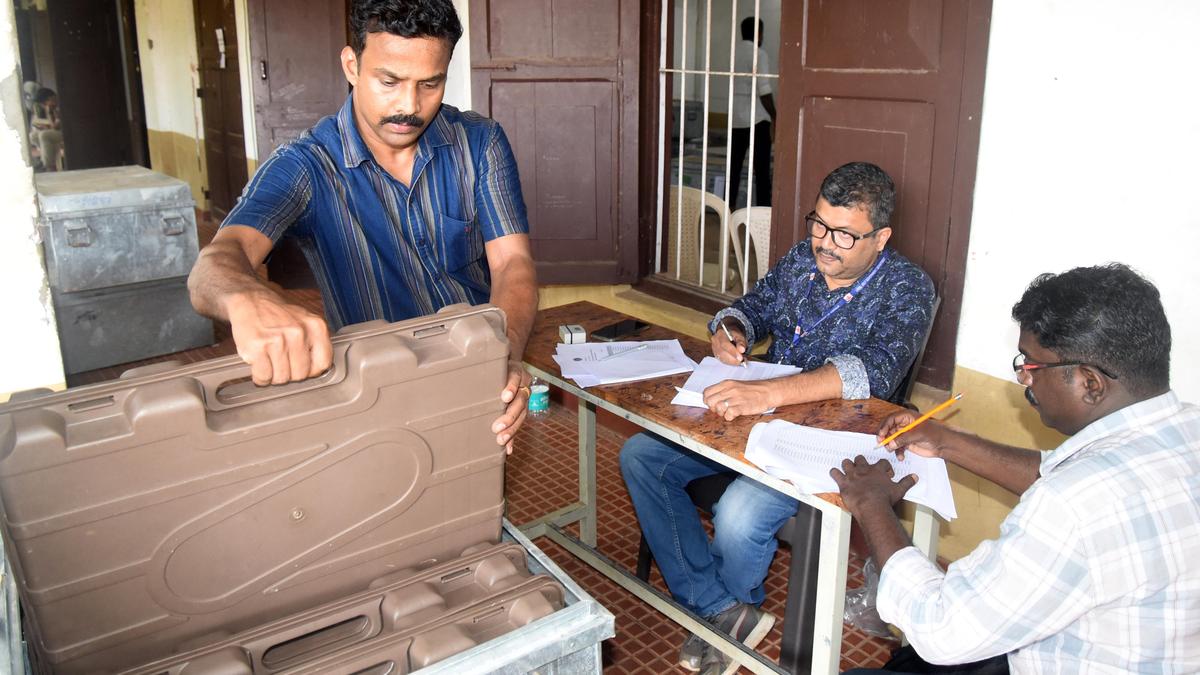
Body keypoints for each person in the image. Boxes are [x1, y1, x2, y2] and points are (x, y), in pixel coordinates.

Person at [620, 162, 936, 674]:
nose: (825, 243)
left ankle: (723, 618)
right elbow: (752, 307)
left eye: (844, 235)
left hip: (827, 442)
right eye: (819, 224)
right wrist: (731, 328)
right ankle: (720, 609)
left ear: (880, 238)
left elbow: (873, 373)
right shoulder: (800, 262)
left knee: (740, 517)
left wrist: (767, 392)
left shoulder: (907, 287)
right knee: (641, 456)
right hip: (752, 419)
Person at [188, 0, 537, 453]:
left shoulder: (479, 142)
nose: (409, 106)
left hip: (475, 374)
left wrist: (502, 358)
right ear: (351, 65)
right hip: (376, 392)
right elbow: (214, 265)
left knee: (479, 508)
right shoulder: (306, 165)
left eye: (429, 84)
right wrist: (245, 297)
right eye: (389, 81)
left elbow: (513, 264)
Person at [834, 264, 1200, 673]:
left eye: (1031, 366)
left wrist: (873, 504)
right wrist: (946, 441)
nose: (1024, 378)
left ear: (1089, 384)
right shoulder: (1183, 430)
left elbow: (940, 628)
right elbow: (1061, 471)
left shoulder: (1071, 506)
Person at [729, 17, 775, 208]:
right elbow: (763, 90)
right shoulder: (759, 54)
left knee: (734, 168)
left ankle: (728, 208)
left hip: (735, 119)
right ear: (759, 33)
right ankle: (763, 211)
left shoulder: (733, 53)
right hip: (757, 120)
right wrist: (775, 115)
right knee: (762, 170)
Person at [30, 87, 63, 171]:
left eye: (44, 103)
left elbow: (56, 126)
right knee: (33, 136)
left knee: (44, 135)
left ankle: (48, 165)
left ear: (50, 98)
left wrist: (50, 112)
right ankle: (45, 159)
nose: (44, 105)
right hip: (56, 132)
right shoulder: (50, 107)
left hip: (66, 132)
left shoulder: (59, 106)